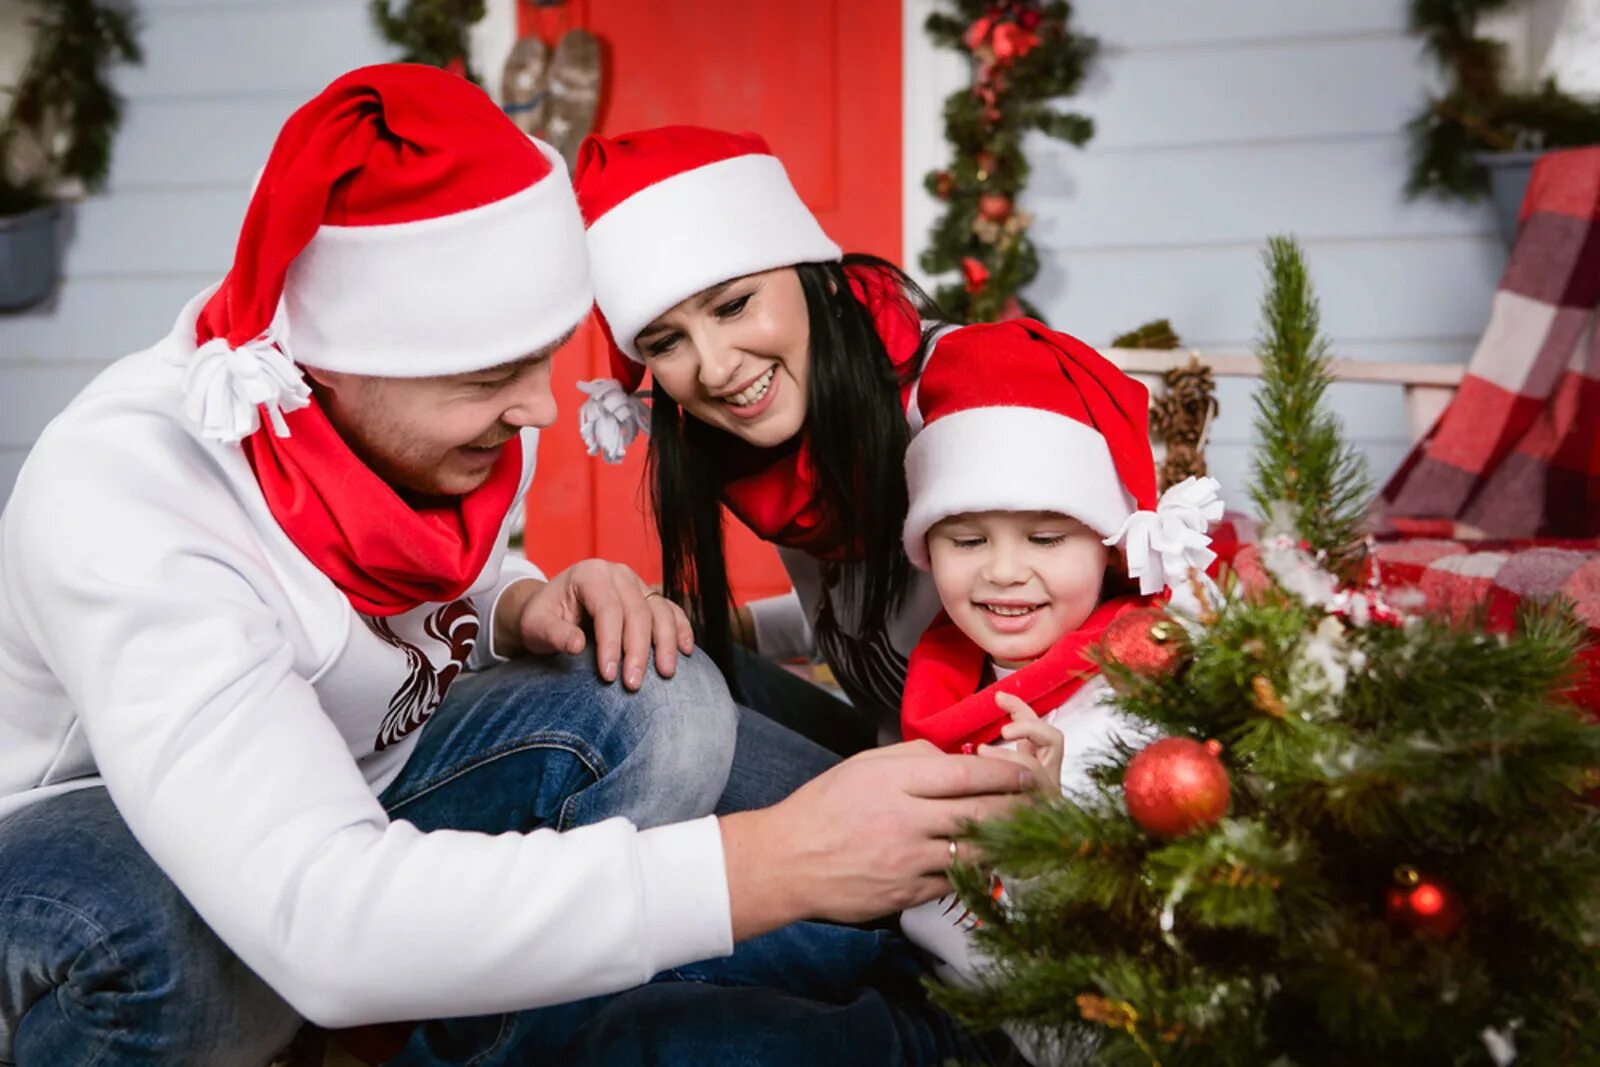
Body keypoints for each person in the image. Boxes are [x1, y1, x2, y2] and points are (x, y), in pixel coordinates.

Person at [0, 66, 1040, 1066]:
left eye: (543, 357)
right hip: (113, 836)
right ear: (334, 364)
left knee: (694, 724)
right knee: (143, 941)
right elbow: (314, 915)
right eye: (495, 375)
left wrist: (520, 601)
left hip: (380, 769)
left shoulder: (452, 415)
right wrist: (766, 863)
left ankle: (482, 1033)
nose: (541, 407)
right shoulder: (126, 495)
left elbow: (421, 590)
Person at [573, 126, 955, 754]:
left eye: (734, 306)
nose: (716, 369)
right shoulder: (762, 454)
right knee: (612, 671)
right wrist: (735, 625)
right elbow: (875, 626)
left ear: (820, 280)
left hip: (1001, 784)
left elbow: (1046, 623)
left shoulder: (956, 408)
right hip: (891, 746)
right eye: (666, 343)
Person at [891, 320, 1224, 995]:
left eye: (1045, 537)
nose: (1004, 571)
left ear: (1107, 544)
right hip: (922, 955)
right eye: (966, 539)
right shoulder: (944, 670)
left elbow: (1142, 944)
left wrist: (1050, 833)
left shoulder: (1141, 695)